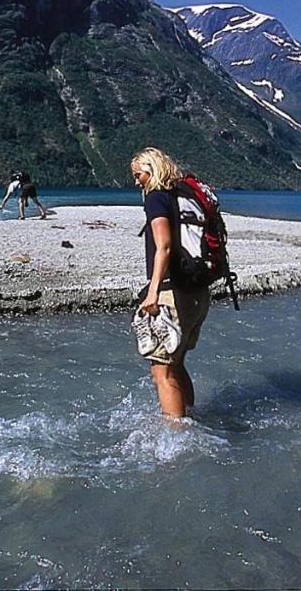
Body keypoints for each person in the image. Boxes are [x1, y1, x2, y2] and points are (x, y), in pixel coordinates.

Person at [131, 147, 212, 418]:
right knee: (176, 364)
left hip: (171, 293)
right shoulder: (181, 195)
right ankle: (191, 419)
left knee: (161, 370)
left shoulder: (156, 197)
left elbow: (163, 246)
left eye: (138, 175)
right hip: (197, 291)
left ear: (151, 171)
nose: (136, 182)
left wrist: (152, 292)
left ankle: (176, 437)